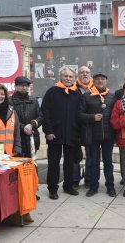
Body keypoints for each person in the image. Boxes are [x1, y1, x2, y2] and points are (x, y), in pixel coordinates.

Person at [41, 67, 82, 200]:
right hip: (55, 134)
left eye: (71, 76)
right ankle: (52, 189)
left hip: (72, 134)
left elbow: (80, 114)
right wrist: (48, 131)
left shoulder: (77, 93)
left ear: (74, 78)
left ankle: (68, 186)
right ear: (61, 77)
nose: (68, 78)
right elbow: (45, 112)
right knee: (53, 163)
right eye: (66, 76)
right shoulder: (52, 92)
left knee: (69, 163)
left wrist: (79, 133)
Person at [78, 72, 116, 198]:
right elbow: (79, 115)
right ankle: (93, 187)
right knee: (94, 162)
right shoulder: (87, 96)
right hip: (93, 136)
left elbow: (116, 116)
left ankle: (110, 186)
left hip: (108, 137)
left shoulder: (112, 96)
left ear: (106, 81)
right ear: (93, 81)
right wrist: (92, 117)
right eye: (97, 79)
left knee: (108, 162)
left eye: (103, 79)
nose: (100, 81)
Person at [10, 76, 43, 202]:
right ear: (16, 86)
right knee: (18, 166)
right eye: (21, 85)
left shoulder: (33, 100)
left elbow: (40, 116)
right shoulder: (10, 101)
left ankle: (32, 191)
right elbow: (11, 119)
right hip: (17, 139)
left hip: (32, 138)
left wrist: (33, 124)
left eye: (26, 85)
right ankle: (19, 192)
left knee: (32, 165)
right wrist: (24, 127)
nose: (24, 87)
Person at [73, 66, 93, 189]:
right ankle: (75, 180)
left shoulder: (94, 89)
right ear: (78, 75)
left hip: (90, 126)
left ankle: (89, 179)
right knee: (75, 155)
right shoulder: (72, 89)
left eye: (87, 72)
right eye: (82, 72)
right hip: (75, 126)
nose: (84, 74)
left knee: (90, 154)